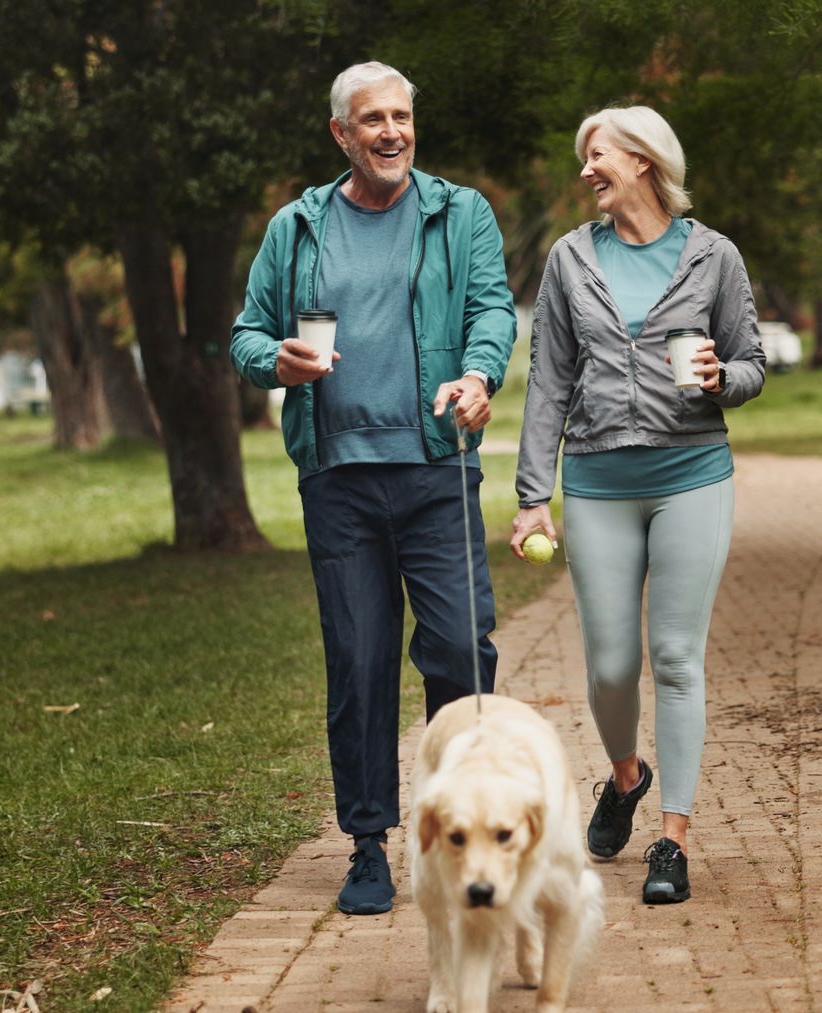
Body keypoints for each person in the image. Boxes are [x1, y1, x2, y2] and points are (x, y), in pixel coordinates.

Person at [230, 61, 517, 916]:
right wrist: (272, 360)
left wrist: (478, 372)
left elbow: (493, 310)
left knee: (463, 653)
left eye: (401, 116)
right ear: (341, 135)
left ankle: (465, 831)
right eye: (372, 120)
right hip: (339, 479)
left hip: (436, 468)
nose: (391, 131)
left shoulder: (458, 212)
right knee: (358, 663)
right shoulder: (298, 226)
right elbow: (249, 332)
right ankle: (367, 844)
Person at [510, 106, 765, 904]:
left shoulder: (714, 256)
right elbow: (549, 379)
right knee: (612, 664)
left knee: (678, 658)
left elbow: (752, 362)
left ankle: (672, 837)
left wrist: (728, 378)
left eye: (597, 154)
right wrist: (531, 498)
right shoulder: (569, 259)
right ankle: (626, 774)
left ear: (645, 161)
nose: (586, 169)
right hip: (597, 483)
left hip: (692, 473)